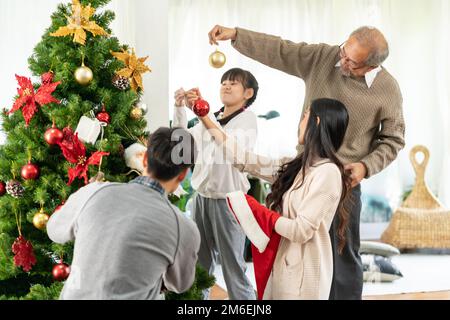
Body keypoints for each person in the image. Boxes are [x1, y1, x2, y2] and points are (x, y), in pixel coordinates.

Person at [207, 25, 406, 299]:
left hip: (345, 179)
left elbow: (393, 140)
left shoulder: (388, 89)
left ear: (372, 66)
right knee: (296, 252)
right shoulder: (325, 57)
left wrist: (364, 167)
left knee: (342, 256)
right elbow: (281, 49)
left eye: (352, 62)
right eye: (343, 52)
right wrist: (237, 35)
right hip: (303, 167)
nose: (342, 62)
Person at [198, 98, 351, 299]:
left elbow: (301, 230)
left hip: (304, 277)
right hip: (281, 267)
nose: (300, 121)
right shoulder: (296, 167)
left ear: (317, 122)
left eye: (305, 115)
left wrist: (259, 212)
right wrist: (205, 118)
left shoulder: (328, 173)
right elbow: (243, 159)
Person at [47, 127, 200, 300]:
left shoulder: (93, 192)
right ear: (183, 174)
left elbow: (54, 230)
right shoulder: (184, 228)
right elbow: (179, 284)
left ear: (144, 159)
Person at [173, 68, 259, 299]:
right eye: (223, 82)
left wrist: (203, 113)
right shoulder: (211, 119)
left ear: (248, 93)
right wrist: (180, 108)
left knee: (233, 269)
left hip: (229, 202)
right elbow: (181, 147)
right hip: (202, 199)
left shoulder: (247, 119)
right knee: (200, 266)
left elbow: (230, 148)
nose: (226, 86)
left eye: (233, 83)